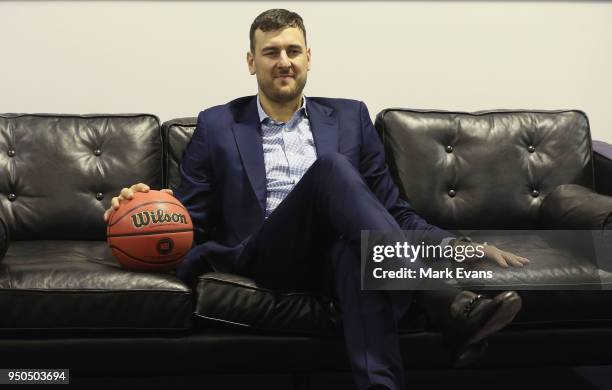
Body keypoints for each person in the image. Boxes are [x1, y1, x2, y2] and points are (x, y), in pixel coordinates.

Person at [103, 9, 529, 390]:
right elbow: (190, 217)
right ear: (251, 63)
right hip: (266, 253)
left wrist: (455, 245)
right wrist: (144, 212)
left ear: (309, 57)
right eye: (270, 52)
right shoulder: (218, 124)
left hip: (336, 253)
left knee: (353, 254)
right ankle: (441, 298)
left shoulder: (350, 116)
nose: (283, 61)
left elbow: (390, 207)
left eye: (293, 50)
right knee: (330, 168)